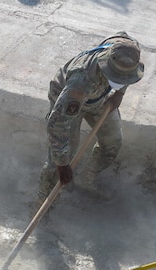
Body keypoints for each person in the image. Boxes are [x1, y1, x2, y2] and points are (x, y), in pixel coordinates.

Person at [37, 33, 145, 204]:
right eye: (118, 77)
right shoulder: (81, 81)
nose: (122, 80)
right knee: (62, 158)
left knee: (112, 142)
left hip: (99, 98)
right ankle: (43, 204)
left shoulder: (126, 48)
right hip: (68, 103)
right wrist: (62, 164)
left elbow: (127, 67)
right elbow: (58, 124)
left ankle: (86, 179)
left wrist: (120, 93)